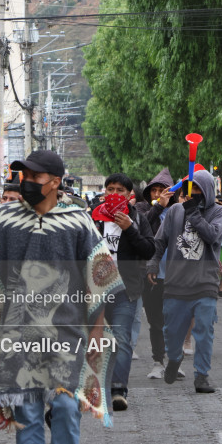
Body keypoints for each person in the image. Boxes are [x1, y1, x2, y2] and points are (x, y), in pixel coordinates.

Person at [0, 150, 123, 444]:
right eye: (23, 176)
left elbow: (99, 276)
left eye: (34, 177)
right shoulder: (2, 219)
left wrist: (98, 329)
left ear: (54, 182)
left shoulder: (78, 222)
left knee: (65, 406)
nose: (26, 182)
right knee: (28, 413)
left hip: (69, 332)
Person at [146, 170, 222, 393]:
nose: (193, 194)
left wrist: (194, 213)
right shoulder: (174, 211)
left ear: (209, 190)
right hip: (175, 283)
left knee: (204, 330)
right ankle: (174, 358)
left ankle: (201, 376)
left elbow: (211, 236)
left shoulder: (219, 211)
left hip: (205, 283)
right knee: (171, 332)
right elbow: (160, 241)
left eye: (199, 189)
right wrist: (153, 263)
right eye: (190, 189)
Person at [93, 173, 155, 412]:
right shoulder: (93, 217)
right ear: (105, 191)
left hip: (126, 290)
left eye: (120, 190)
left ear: (129, 195)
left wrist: (129, 229)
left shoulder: (137, 219)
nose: (114, 194)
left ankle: (118, 389)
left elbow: (149, 249)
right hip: (96, 289)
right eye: (111, 189)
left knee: (121, 340)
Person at [133, 168, 175, 380]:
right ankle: (158, 361)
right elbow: (141, 227)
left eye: (162, 190)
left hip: (177, 275)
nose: (158, 194)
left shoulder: (178, 209)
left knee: (175, 321)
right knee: (156, 320)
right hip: (151, 273)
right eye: (154, 190)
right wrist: (159, 207)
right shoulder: (140, 208)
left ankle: (175, 362)